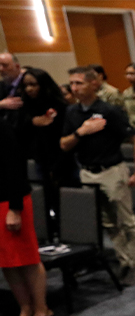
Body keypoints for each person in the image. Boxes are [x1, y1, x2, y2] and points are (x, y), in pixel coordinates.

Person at [60, 66, 135, 285]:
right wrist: (82, 131)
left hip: (112, 172)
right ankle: (123, 261)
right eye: (72, 83)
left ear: (93, 84)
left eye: (79, 83)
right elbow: (64, 145)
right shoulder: (72, 112)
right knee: (109, 223)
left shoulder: (108, 110)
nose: (74, 87)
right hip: (88, 173)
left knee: (126, 221)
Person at [1, 118, 52, 316]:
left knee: (27, 258)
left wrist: (15, 208)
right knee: (7, 262)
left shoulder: (2, 126)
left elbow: (15, 166)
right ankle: (25, 308)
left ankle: (42, 309)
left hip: (10, 201)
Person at [15, 68, 79, 235]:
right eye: (26, 85)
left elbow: (64, 136)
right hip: (38, 159)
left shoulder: (60, 106)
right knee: (44, 199)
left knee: (66, 200)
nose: (29, 89)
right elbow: (18, 133)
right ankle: (51, 232)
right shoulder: (24, 108)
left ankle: (71, 232)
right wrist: (31, 122)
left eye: (33, 85)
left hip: (62, 159)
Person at [0, 53, 24, 125]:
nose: (0, 69)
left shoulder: (28, 83)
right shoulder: (1, 85)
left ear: (17, 66)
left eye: (5, 65)